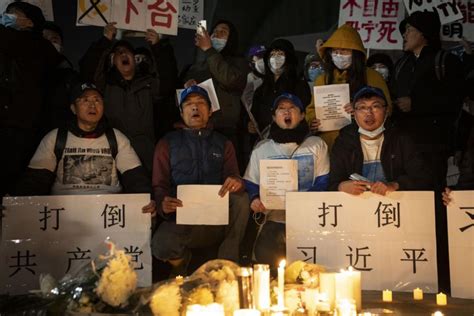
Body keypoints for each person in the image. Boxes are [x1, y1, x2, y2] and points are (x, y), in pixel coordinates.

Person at [393, 11, 464, 293]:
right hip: (403, 144)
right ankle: (407, 261)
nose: (405, 35)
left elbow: (456, 98)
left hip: (434, 145)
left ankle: (441, 272)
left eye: (409, 30)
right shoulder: (402, 64)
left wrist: (418, 103)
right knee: (407, 201)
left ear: (424, 33)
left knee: (434, 202)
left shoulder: (445, 61)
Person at [151, 85, 250, 276]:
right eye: (188, 104)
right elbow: (159, 185)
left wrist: (237, 182)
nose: (195, 108)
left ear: (210, 110)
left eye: (201, 103)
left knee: (241, 198)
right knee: (161, 246)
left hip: (217, 222)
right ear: (181, 112)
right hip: (183, 221)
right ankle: (182, 264)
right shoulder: (167, 143)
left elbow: (234, 176)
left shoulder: (223, 142)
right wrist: (163, 203)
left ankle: (226, 267)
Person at [15, 82, 155, 213]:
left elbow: (136, 179)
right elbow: (35, 181)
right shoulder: (56, 137)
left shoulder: (116, 137)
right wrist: (15, 204)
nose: (92, 105)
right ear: (73, 108)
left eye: (97, 100)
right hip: (65, 212)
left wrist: (146, 201)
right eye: (85, 100)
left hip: (108, 210)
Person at [244, 93, 330, 270]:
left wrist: (299, 204)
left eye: (292, 108)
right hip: (274, 219)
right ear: (274, 117)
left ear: (302, 115)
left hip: (309, 220)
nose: (286, 112)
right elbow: (251, 182)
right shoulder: (262, 148)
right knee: (267, 260)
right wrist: (254, 199)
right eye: (281, 109)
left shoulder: (317, 145)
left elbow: (323, 182)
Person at [80, 23, 178, 175]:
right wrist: (105, 41)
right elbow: (88, 69)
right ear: (113, 60)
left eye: (128, 52)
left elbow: (167, 79)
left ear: (134, 58)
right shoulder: (105, 85)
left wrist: (158, 46)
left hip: (145, 158)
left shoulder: (148, 84)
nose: (124, 54)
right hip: (111, 155)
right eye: (119, 52)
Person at [0, 2, 61, 198]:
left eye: (12, 14)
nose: (6, 17)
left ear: (28, 22)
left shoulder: (37, 46)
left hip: (21, 127)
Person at [329, 86, 431, 195]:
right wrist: (341, 186)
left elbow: (422, 178)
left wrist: (394, 185)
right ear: (354, 113)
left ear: (386, 111)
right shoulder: (344, 141)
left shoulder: (401, 139)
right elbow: (332, 183)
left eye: (375, 106)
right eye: (362, 107)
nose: (369, 113)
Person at [305, 24, 392, 152]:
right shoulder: (322, 79)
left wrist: (360, 109)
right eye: (335, 51)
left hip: (365, 145)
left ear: (355, 53)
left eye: (344, 51)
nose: (339, 55)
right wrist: (312, 122)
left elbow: (387, 108)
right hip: (328, 145)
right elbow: (311, 109)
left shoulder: (373, 77)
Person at [182, 19, 248, 151]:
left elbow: (230, 80)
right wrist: (188, 87)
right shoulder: (197, 67)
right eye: (214, 32)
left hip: (225, 130)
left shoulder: (239, 63)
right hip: (200, 128)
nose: (217, 35)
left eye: (222, 32)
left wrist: (209, 49)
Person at [251, 39, 311, 136]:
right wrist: (251, 126)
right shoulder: (261, 89)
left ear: (289, 58)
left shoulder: (299, 86)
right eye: (272, 54)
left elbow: (306, 114)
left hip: (293, 140)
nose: (275, 58)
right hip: (266, 142)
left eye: (280, 54)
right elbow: (254, 115)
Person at [41, 21, 80, 132]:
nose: (48, 44)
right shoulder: (22, 74)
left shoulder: (71, 78)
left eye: (54, 40)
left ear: (62, 47)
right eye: (44, 40)